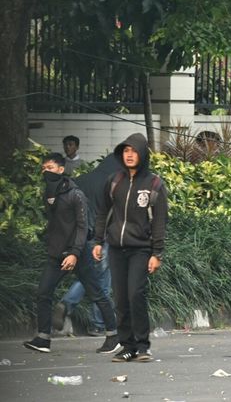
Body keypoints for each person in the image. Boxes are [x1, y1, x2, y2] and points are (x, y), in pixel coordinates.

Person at [23, 153, 119, 354]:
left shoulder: (76, 193)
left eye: (50, 167)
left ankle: (113, 336)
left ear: (60, 169)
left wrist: (74, 253)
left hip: (79, 251)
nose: (45, 171)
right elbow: (57, 224)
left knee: (97, 292)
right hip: (57, 252)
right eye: (44, 168)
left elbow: (82, 227)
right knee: (43, 292)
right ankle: (43, 338)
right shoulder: (50, 193)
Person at [93, 133, 168, 362]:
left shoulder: (154, 183)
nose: (129, 155)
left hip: (141, 249)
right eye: (126, 151)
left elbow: (159, 221)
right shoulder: (114, 180)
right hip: (116, 248)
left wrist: (157, 253)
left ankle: (143, 346)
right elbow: (103, 211)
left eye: (134, 151)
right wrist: (98, 241)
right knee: (121, 299)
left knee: (136, 294)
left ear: (142, 154)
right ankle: (127, 346)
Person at [54, 154, 120, 336]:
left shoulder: (81, 180)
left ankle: (80, 313)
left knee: (90, 274)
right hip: (99, 237)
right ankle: (92, 320)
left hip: (77, 236)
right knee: (101, 279)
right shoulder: (112, 185)